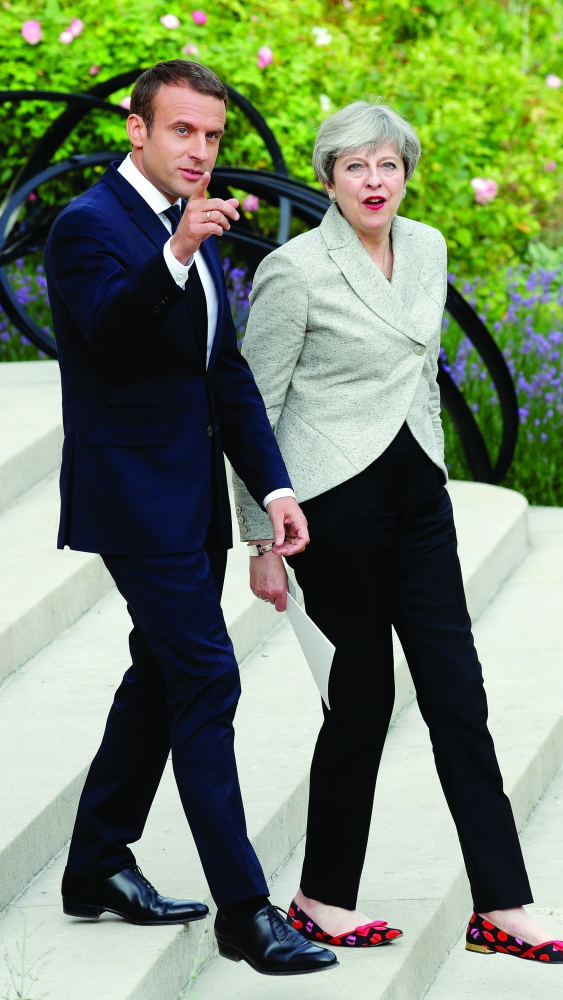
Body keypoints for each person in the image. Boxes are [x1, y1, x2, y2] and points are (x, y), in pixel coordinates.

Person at [233, 100, 563, 965]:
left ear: (406, 174)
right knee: (359, 702)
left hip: (420, 501)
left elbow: (420, 372)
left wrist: (432, 462)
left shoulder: (428, 247)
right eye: (355, 166)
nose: (374, 181)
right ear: (328, 179)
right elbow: (251, 409)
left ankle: (502, 906)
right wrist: (259, 541)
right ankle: (322, 898)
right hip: (333, 509)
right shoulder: (294, 269)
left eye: (388, 165)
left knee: (459, 697)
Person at [44, 59, 337, 977]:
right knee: (207, 678)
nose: (201, 150)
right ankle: (246, 913)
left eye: (212, 135)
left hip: (195, 500)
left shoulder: (191, 225)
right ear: (138, 129)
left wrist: (274, 491)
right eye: (182, 130)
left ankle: (96, 862)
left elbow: (225, 374)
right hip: (131, 499)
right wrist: (173, 254)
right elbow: (109, 334)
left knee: (160, 676)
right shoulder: (89, 225)